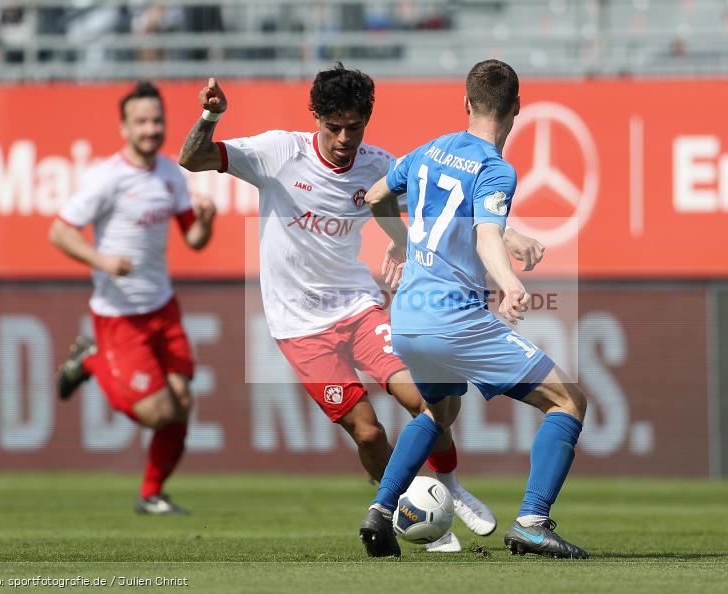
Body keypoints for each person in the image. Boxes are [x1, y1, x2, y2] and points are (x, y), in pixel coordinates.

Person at [177, 64, 543, 550]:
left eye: (355, 126)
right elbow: (193, 158)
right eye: (334, 127)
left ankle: (450, 489)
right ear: (317, 120)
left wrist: (507, 233)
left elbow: (454, 206)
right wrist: (209, 117)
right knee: (368, 433)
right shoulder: (277, 153)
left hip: (358, 307)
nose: (344, 138)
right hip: (298, 327)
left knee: (424, 401)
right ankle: (414, 511)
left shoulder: (377, 164)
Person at [358, 59, 589, 559]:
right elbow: (484, 234)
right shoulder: (495, 168)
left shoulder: (427, 151)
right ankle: (532, 520)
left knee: (439, 411)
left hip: (408, 319)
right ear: (517, 110)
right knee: (568, 402)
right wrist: (509, 283)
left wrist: (402, 242)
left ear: (465, 104)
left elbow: (376, 197)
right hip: (454, 319)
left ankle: (379, 510)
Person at [50, 80, 217, 516]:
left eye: (156, 120)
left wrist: (206, 221)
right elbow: (60, 230)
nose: (151, 128)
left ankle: (151, 494)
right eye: (141, 121)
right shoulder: (106, 178)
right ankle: (89, 359)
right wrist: (101, 259)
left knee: (182, 405)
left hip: (162, 306)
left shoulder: (168, 172)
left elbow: (194, 240)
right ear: (124, 128)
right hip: (120, 316)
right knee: (155, 412)